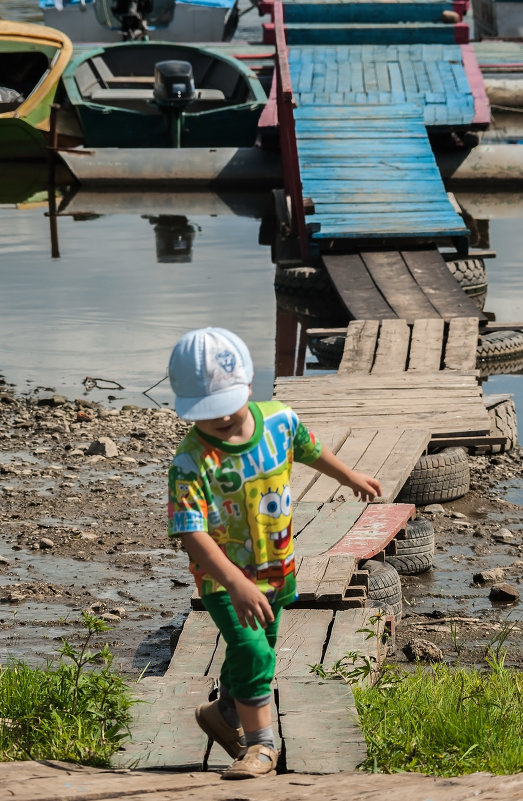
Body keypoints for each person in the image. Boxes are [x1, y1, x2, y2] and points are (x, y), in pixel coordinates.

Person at [167, 327, 382, 780]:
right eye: (207, 412)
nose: (220, 419)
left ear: (248, 384)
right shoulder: (191, 461)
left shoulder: (280, 421)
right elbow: (191, 533)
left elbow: (311, 449)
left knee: (253, 650)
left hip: (278, 570)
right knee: (258, 655)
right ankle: (260, 746)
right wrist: (235, 583)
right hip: (225, 581)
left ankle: (223, 714)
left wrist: (349, 477)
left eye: (227, 404)